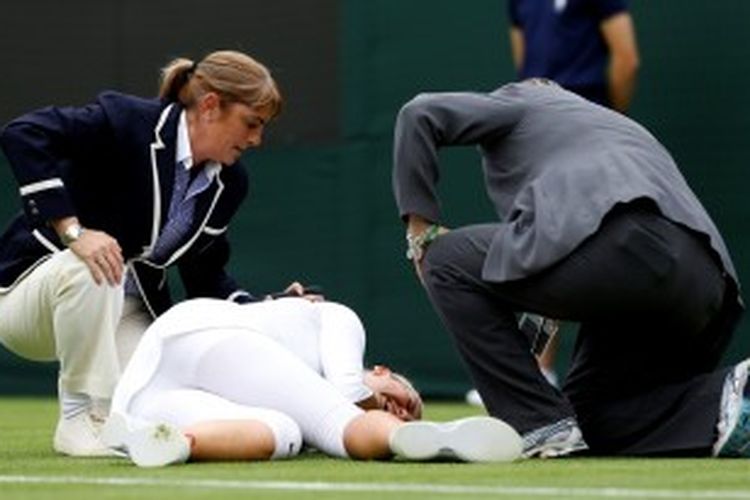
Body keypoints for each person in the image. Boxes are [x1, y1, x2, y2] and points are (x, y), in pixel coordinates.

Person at [391, 79, 745, 457]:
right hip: (705, 290)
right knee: (594, 417)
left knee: (445, 260)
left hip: (624, 245)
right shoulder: (606, 127)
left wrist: (420, 237)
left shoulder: (528, 99)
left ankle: (538, 425)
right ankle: (725, 400)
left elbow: (420, 113)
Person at [0, 50, 302, 457]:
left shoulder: (230, 184)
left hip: (123, 311)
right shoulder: (128, 121)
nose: (256, 139)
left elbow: (206, 278)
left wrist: (267, 309)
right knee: (99, 261)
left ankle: (117, 423)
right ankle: (77, 420)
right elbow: (23, 133)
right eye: (251, 123)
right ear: (211, 106)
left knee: (159, 404)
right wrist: (73, 231)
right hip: (27, 299)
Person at [103, 297, 523, 466]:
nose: (401, 410)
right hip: (209, 335)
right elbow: (346, 393)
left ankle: (167, 441)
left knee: (279, 432)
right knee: (339, 425)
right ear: (380, 371)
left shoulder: (292, 401)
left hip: (145, 395)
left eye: (407, 417)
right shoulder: (339, 317)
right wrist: (376, 422)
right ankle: (430, 439)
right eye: (406, 400)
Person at [508, 0, 640, 113]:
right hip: (535, 110)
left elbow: (626, 60)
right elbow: (522, 60)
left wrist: (614, 117)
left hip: (585, 110)